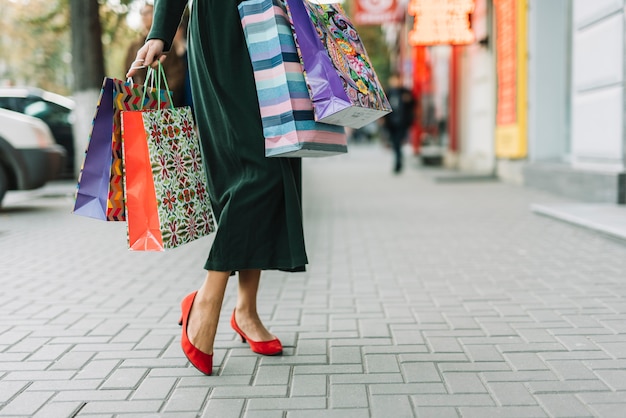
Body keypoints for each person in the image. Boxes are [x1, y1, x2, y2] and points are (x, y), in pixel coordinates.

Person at [127, 0, 307, 376]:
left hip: (276, 27)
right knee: (255, 170)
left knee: (276, 159)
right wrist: (160, 32)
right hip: (223, 30)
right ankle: (207, 301)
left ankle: (246, 309)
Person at [125, 2, 186, 107]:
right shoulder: (133, 47)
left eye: (148, 12)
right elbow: (127, 73)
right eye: (142, 13)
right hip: (138, 104)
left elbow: (176, 75)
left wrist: (160, 99)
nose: (144, 16)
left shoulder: (168, 46)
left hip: (165, 105)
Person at [383, 74, 415, 174]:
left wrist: (408, 100)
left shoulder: (405, 92)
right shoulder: (388, 92)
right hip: (391, 123)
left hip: (402, 122)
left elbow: (413, 104)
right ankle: (399, 160)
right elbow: (384, 105)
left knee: (397, 142)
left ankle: (398, 162)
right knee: (395, 143)